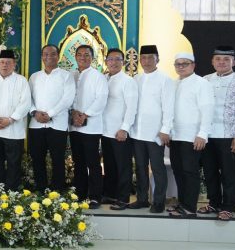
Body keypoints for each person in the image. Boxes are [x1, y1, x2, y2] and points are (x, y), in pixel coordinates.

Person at [128, 45, 175, 211]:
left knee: (157, 169)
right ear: (140, 60)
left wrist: (165, 130)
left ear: (158, 59)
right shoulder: (135, 79)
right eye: (144, 58)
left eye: (150, 57)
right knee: (140, 167)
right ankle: (142, 199)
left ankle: (159, 202)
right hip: (137, 132)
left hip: (156, 133)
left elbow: (169, 108)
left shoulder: (165, 80)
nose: (146, 61)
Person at [200, 46, 235, 221]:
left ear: (234, 62)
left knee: (229, 173)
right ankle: (214, 202)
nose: (222, 62)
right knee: (209, 171)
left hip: (229, 135)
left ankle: (228, 206)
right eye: (218, 59)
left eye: (226, 59)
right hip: (208, 134)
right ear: (212, 61)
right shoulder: (205, 80)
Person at [168, 53, 214, 218]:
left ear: (193, 65)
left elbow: (207, 110)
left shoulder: (202, 84)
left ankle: (190, 207)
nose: (181, 67)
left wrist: (202, 134)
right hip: (176, 136)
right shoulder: (174, 84)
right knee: (178, 171)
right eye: (177, 64)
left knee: (190, 171)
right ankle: (182, 204)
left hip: (192, 136)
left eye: (184, 64)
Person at [28, 44, 75, 191]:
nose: (49, 57)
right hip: (36, 124)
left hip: (57, 124)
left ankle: (57, 190)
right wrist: (35, 112)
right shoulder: (34, 76)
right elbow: (27, 99)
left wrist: (50, 114)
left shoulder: (66, 76)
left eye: (53, 54)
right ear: (42, 57)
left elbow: (68, 99)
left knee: (57, 159)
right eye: (46, 54)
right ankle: (41, 188)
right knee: (37, 158)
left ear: (58, 56)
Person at [69, 45, 108, 208]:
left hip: (91, 127)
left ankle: (95, 196)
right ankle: (80, 193)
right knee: (78, 162)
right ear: (75, 57)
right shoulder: (71, 75)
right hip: (74, 126)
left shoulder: (98, 77)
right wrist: (73, 113)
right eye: (79, 54)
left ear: (92, 58)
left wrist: (85, 114)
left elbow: (101, 99)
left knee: (92, 163)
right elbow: (68, 96)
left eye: (86, 55)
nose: (83, 57)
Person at [0, 49, 31, 191]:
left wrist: (11, 119)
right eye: (2, 62)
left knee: (14, 163)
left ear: (14, 65)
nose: (5, 65)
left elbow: (25, 103)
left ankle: (12, 192)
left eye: (8, 62)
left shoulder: (21, 80)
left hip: (13, 130)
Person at [101, 49, 138, 210]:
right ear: (106, 61)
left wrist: (124, 128)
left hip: (120, 132)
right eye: (110, 59)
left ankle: (123, 198)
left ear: (123, 62)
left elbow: (132, 107)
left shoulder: (128, 81)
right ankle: (111, 194)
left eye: (118, 59)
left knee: (123, 166)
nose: (114, 62)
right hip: (104, 130)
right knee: (109, 165)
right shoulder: (104, 78)